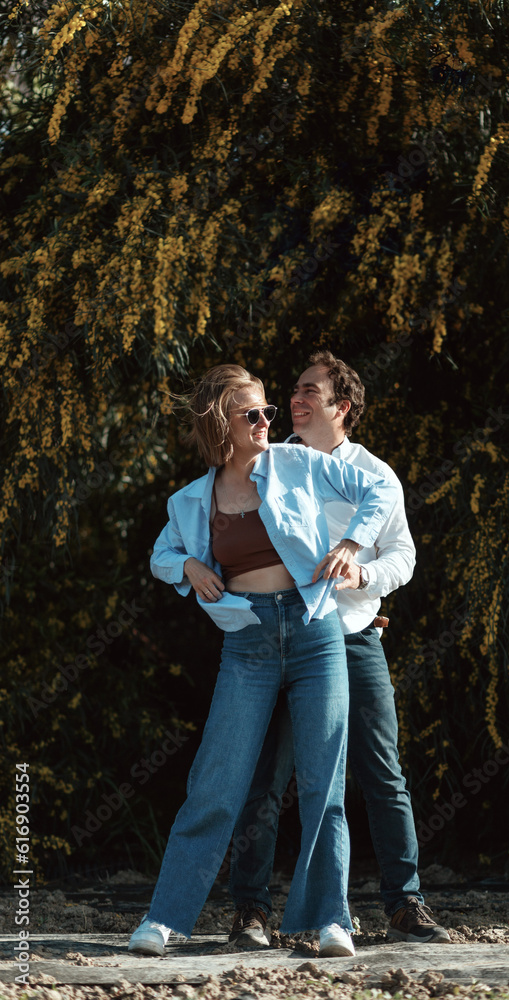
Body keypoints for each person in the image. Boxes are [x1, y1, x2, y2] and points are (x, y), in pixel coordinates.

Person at [128, 363, 398, 959]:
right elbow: (160, 555)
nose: (267, 422)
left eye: (269, 411)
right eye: (252, 414)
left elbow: (382, 490)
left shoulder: (296, 463)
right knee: (216, 784)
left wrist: (352, 542)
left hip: (314, 631)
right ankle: (167, 918)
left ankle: (332, 919)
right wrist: (188, 567)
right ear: (221, 423)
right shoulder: (192, 500)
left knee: (323, 783)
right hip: (247, 641)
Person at [227, 351, 451, 948]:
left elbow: (401, 556)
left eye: (308, 392)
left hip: (353, 640)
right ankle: (251, 911)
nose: (293, 400)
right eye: (292, 390)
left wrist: (362, 575)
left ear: (341, 407)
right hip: (279, 642)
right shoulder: (266, 466)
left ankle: (405, 905)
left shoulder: (376, 475)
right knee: (266, 777)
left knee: (382, 773)